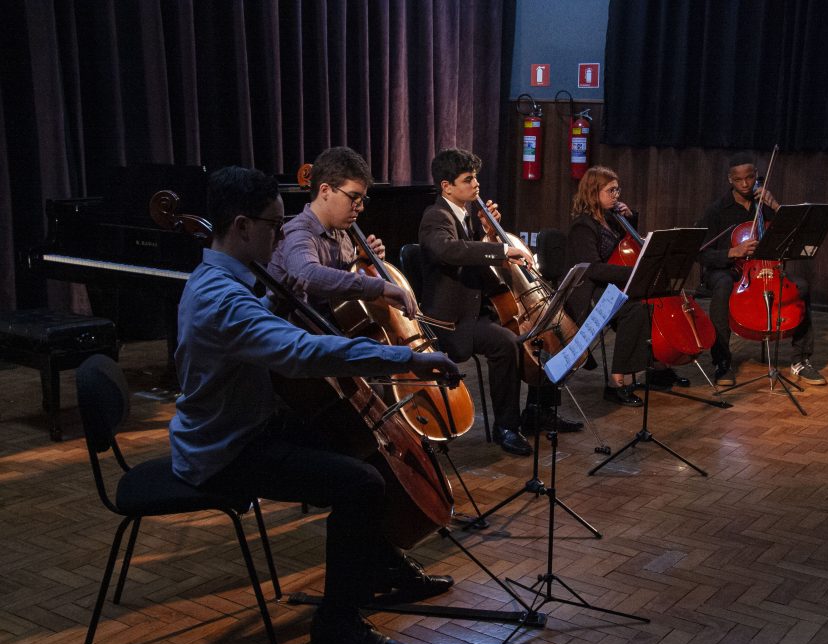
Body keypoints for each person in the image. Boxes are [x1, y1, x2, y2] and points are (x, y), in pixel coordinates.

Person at [169, 166, 461, 644]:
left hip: (248, 422)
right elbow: (302, 351)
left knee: (354, 439)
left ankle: (377, 566)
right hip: (225, 448)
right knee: (360, 484)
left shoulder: (229, 276)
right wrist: (407, 358)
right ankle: (337, 623)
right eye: (272, 225)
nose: (281, 236)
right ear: (241, 227)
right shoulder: (222, 300)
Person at [418, 148, 573, 456]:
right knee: (507, 343)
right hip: (452, 320)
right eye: (468, 179)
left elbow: (476, 257)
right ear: (446, 186)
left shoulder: (465, 216)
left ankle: (537, 410)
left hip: (480, 309)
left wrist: (489, 235)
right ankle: (506, 426)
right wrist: (501, 250)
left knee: (536, 334)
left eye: (476, 178)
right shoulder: (435, 216)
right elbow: (451, 251)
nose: (476, 184)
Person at [564, 166, 690, 407]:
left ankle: (657, 366)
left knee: (650, 298)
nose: (616, 195)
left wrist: (630, 218)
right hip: (590, 291)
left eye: (617, 190)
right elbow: (593, 268)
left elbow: (627, 248)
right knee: (635, 308)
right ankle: (617, 382)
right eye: (610, 190)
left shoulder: (611, 219)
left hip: (612, 284)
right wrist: (634, 273)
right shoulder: (583, 226)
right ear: (593, 192)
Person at [695, 152, 825, 386]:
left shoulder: (766, 205)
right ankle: (722, 362)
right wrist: (732, 252)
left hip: (765, 270)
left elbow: (792, 234)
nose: (745, 184)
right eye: (738, 179)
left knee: (802, 287)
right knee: (723, 285)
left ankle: (801, 360)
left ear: (756, 175)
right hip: (727, 269)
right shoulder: (717, 210)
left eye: (750, 177)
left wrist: (774, 205)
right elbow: (700, 253)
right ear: (729, 180)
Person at [267, 146, 417, 320]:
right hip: (301, 338)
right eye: (354, 197)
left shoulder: (342, 234)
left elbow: (341, 286)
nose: (360, 207)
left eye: (363, 200)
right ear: (325, 191)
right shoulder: (298, 233)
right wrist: (380, 286)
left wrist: (363, 263)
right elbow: (308, 274)